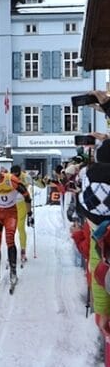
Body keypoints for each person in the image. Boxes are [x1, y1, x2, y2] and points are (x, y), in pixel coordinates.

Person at [77, 139, 110, 341]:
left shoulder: (88, 172)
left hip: (96, 223)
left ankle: (102, 315)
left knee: (98, 267)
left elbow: (84, 197)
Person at [9, 164, 33, 264]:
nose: (15, 176)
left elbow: (38, 184)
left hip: (22, 204)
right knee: (10, 229)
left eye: (17, 174)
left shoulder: (26, 177)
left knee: (21, 228)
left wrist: (37, 180)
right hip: (11, 205)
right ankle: (11, 251)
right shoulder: (8, 178)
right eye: (13, 174)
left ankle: (23, 250)